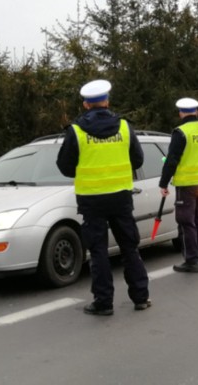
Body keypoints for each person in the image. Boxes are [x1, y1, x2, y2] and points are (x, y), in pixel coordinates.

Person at [56, 79, 151, 315]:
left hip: (92, 200)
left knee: (98, 252)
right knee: (130, 248)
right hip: (121, 198)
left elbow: (65, 167)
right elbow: (138, 160)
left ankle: (103, 302)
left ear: (86, 104)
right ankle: (141, 297)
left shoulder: (76, 131)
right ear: (107, 101)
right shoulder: (125, 127)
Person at [159, 97, 198, 273]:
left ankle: (191, 260)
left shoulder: (181, 132)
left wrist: (163, 183)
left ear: (181, 113)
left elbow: (172, 159)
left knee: (185, 222)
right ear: (196, 111)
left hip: (186, 184)